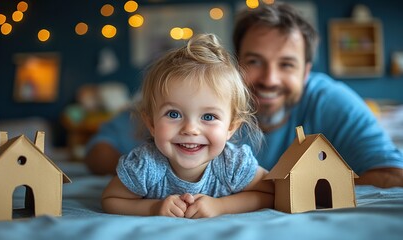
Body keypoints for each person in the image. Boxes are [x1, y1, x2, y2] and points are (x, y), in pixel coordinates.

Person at [86, 2, 403, 188]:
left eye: (287, 65)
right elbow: (100, 150)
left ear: (306, 72)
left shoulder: (330, 100)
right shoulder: (192, 100)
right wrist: (157, 176)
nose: (269, 79)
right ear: (234, 63)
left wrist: (298, 191)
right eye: (254, 61)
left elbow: (392, 172)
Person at [101, 34, 274, 218]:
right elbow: (111, 199)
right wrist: (154, 208)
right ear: (151, 123)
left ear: (231, 127)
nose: (190, 129)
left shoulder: (233, 164)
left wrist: (221, 206)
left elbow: (271, 193)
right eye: (173, 114)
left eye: (208, 116)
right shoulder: (145, 166)